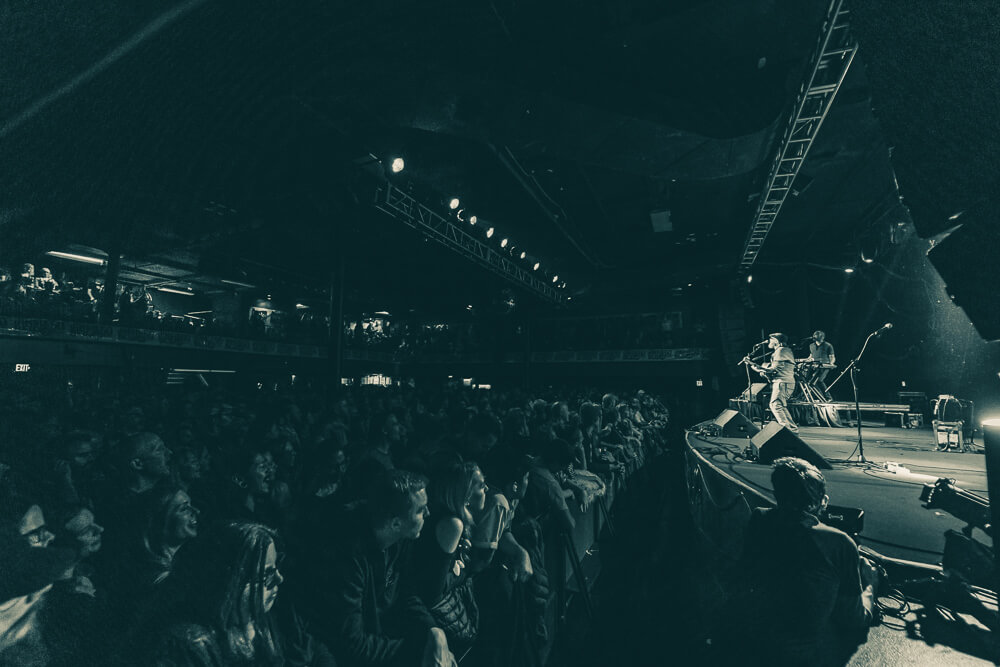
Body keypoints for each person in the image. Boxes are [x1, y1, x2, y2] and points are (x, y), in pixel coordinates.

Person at [729, 457, 877, 666]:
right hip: (799, 658)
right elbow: (854, 618)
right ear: (823, 501)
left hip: (746, 644)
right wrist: (871, 585)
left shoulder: (759, 519)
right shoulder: (839, 543)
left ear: (777, 494)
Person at [307, 468, 458, 667]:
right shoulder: (347, 554)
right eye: (421, 510)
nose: (428, 513)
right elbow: (351, 643)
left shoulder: (400, 537)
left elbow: (406, 593)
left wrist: (434, 632)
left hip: (377, 640)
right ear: (395, 523)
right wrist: (421, 652)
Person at [749, 333, 799, 432]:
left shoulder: (781, 351)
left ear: (776, 341)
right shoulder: (781, 351)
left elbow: (773, 370)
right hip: (783, 382)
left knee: (776, 405)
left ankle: (786, 430)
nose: (769, 341)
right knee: (779, 405)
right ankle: (792, 429)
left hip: (783, 382)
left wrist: (755, 367)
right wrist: (756, 367)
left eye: (771, 339)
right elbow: (774, 371)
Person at [807, 330, 836, 399]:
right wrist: (806, 360)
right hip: (814, 366)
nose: (815, 336)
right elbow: (811, 356)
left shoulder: (828, 345)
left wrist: (831, 364)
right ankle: (818, 397)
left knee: (819, 380)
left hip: (824, 366)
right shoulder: (811, 345)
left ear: (822, 337)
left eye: (817, 335)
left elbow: (832, 357)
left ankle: (828, 397)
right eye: (814, 335)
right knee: (811, 382)